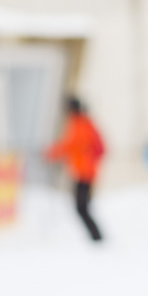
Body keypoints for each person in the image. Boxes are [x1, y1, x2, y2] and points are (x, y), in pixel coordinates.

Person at [44, 96, 105, 242]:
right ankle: (97, 238)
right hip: (86, 171)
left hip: (84, 173)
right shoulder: (86, 122)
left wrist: (51, 153)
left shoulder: (79, 124)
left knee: (81, 207)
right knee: (83, 207)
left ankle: (97, 239)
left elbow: (70, 144)